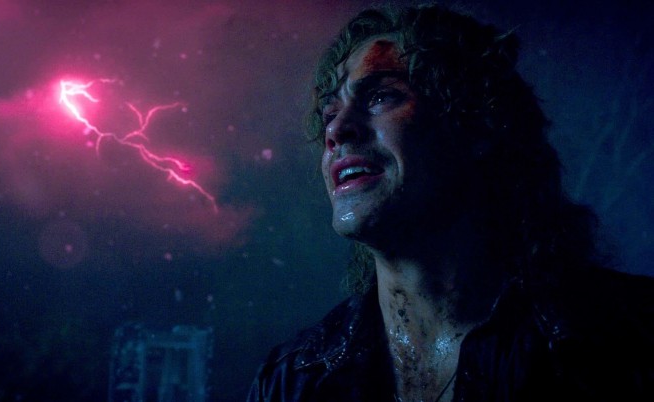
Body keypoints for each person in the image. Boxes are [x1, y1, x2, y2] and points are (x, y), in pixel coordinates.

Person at [248, 4, 654, 402]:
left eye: (381, 96)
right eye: (329, 113)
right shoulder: (292, 382)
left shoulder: (628, 343)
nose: (336, 129)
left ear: (477, 124)